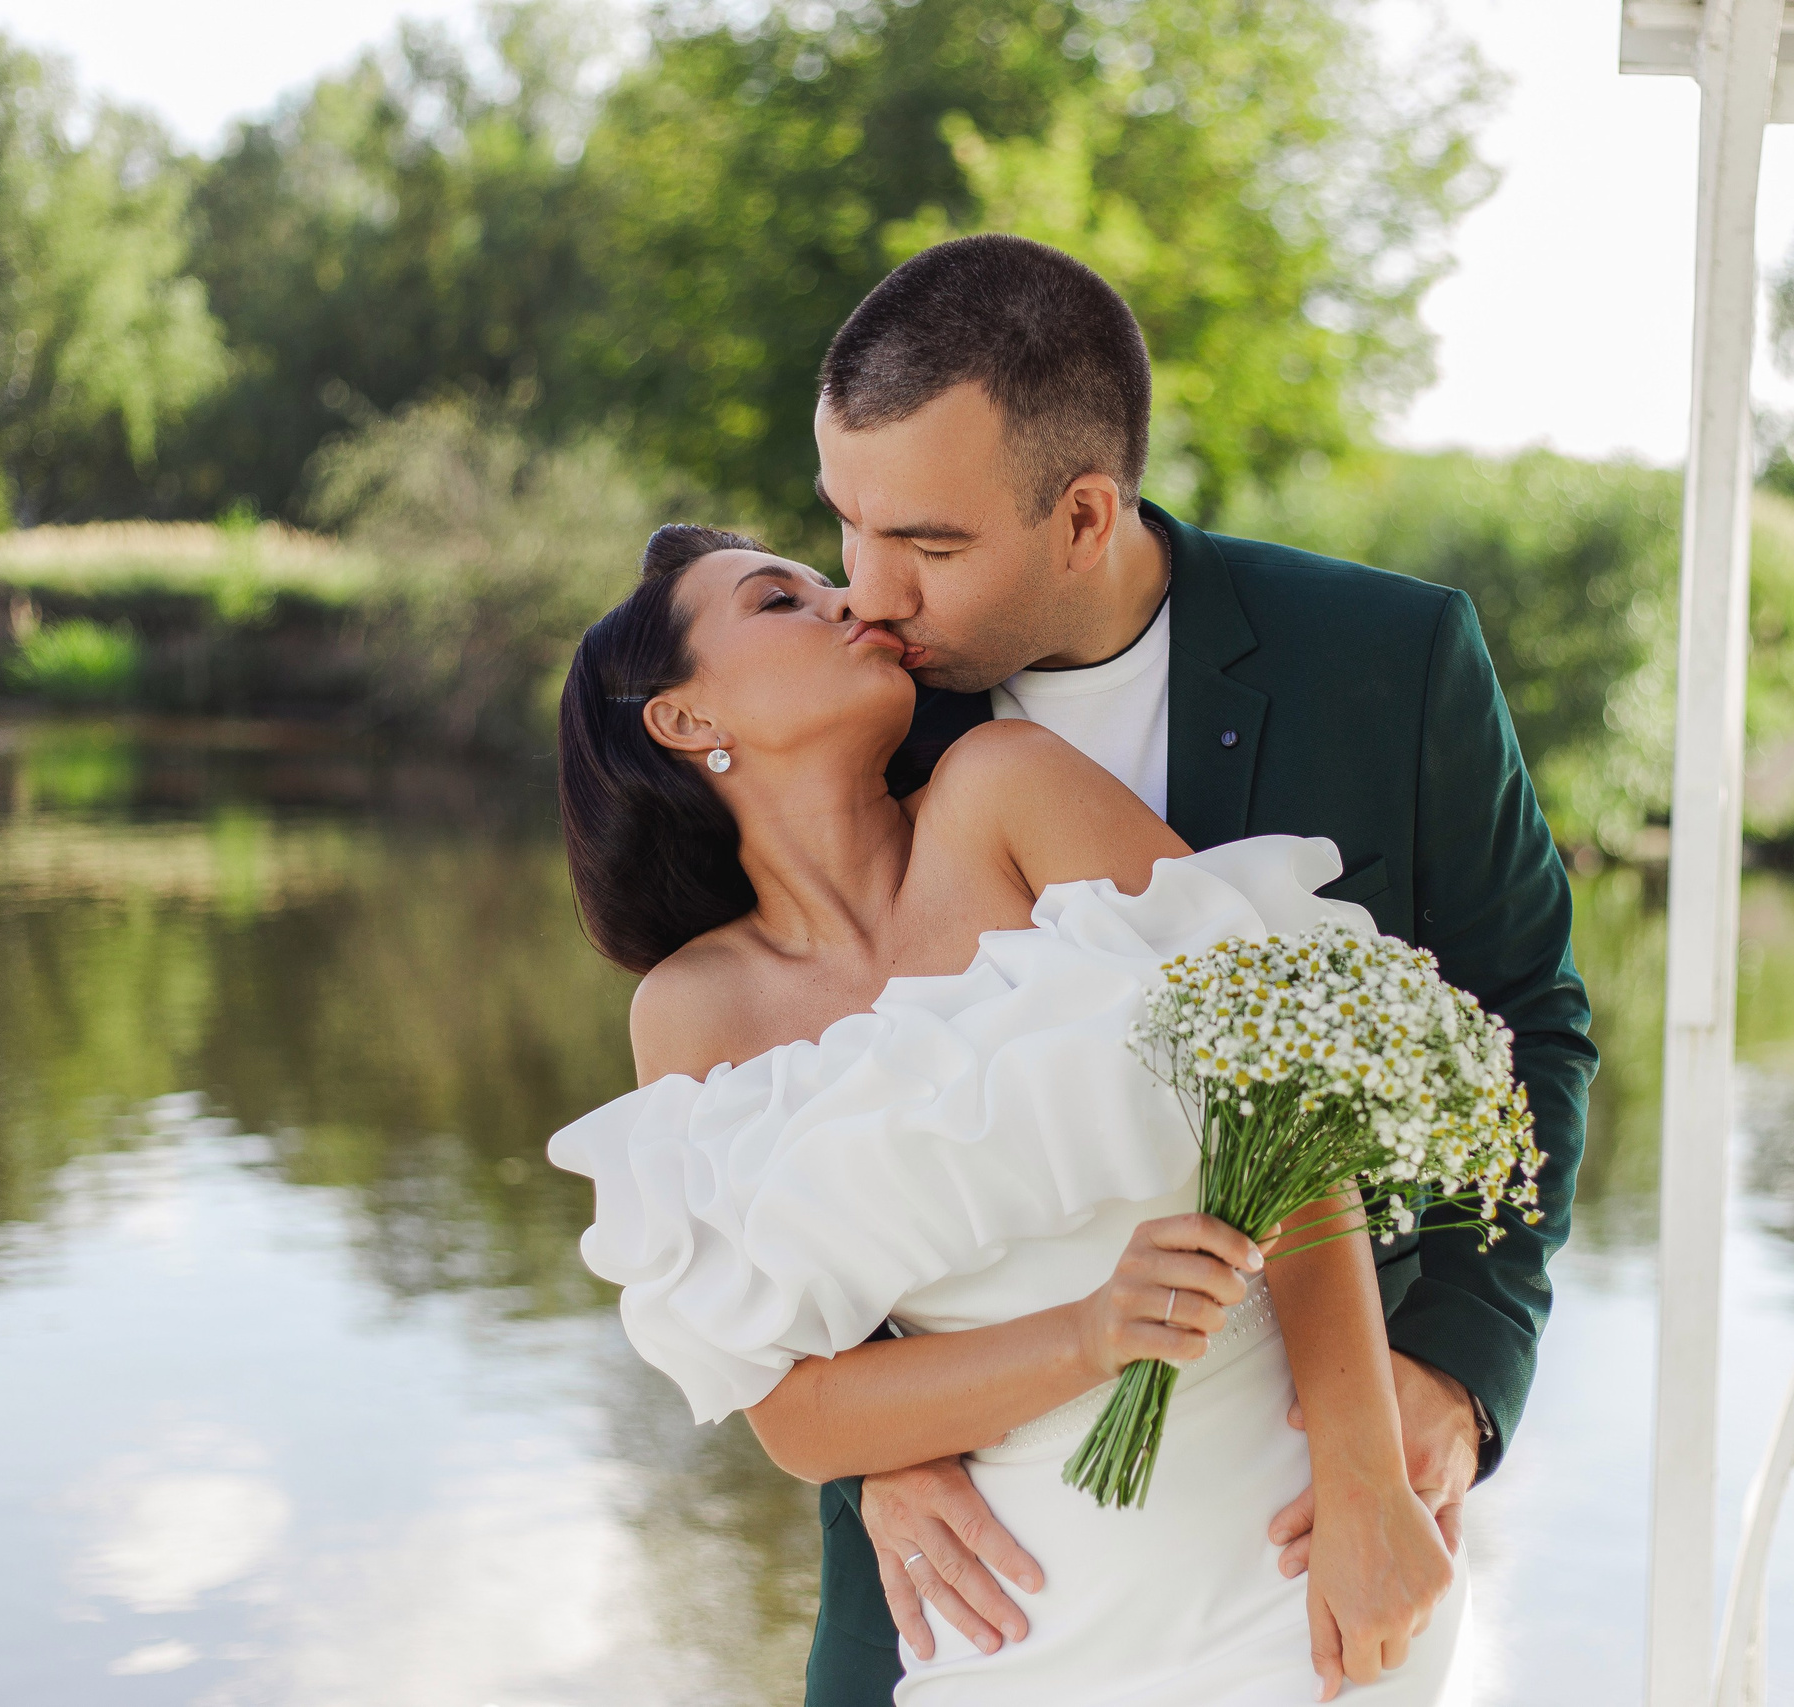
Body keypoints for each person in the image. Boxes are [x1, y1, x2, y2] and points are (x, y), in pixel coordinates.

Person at [794, 235, 1595, 1704]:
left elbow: (1528, 1019)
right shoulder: (834, 704)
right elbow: (736, 1109)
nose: (864, 590)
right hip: (954, 1558)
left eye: (928, 542)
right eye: (843, 519)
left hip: (1302, 1516)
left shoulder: (1394, 659)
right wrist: (882, 1444)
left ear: (1085, 513)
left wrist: (1461, 1375)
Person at [550, 526, 1469, 1700]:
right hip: (1015, 1607)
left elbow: (1290, 1118)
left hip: (1292, 1545)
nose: (847, 601)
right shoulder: (692, 1016)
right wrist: (1086, 1335)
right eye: (781, 600)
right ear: (682, 720)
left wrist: (1365, 1484)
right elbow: (796, 1413)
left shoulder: (1007, 790)